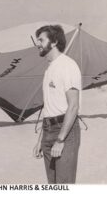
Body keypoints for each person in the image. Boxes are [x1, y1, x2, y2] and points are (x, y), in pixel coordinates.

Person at [33, 25, 81, 184]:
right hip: (48, 130)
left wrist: (60, 140)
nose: (37, 43)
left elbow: (73, 106)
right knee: (52, 185)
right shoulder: (49, 69)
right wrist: (42, 139)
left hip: (64, 131)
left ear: (53, 42)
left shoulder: (67, 65)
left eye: (41, 39)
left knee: (64, 184)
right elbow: (49, 106)